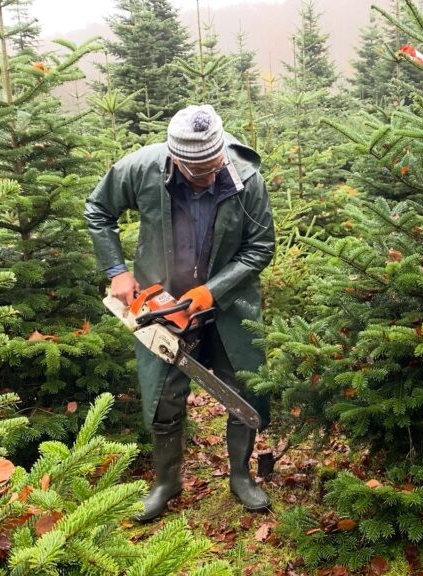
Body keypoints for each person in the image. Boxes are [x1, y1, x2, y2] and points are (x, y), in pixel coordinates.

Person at [84, 104, 274, 522]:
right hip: (161, 307)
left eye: (213, 167)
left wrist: (213, 291)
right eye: (197, 173)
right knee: (163, 397)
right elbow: (98, 210)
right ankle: (167, 482)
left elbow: (260, 248)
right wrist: (116, 271)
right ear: (175, 160)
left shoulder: (247, 180)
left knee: (242, 391)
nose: (208, 178)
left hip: (228, 304)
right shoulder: (140, 169)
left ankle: (241, 476)